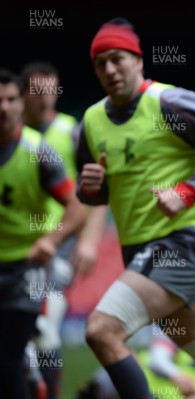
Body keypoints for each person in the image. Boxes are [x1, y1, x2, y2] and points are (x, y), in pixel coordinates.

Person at [76, 17, 195, 399]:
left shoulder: (169, 102)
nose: (110, 69)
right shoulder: (91, 121)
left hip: (182, 247)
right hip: (142, 254)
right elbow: (97, 196)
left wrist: (188, 191)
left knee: (101, 330)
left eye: (118, 59)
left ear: (138, 60)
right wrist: (92, 191)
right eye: (100, 63)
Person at [21, 60, 109, 399]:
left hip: (58, 246)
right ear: (23, 95)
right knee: (29, 329)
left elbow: (101, 191)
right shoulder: (12, 136)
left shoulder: (72, 132)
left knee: (43, 323)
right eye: (37, 93)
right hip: (16, 247)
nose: (45, 100)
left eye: (51, 92)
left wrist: (88, 240)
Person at [0, 68, 86, 398]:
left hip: (33, 266)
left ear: (19, 104)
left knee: (20, 351)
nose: (4, 108)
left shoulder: (45, 148)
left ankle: (45, 386)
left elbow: (80, 202)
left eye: (10, 100)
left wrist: (54, 240)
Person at [75, 333, 195, 399]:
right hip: (137, 385)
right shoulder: (182, 344)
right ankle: (92, 393)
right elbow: (157, 359)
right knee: (124, 357)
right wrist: (176, 375)